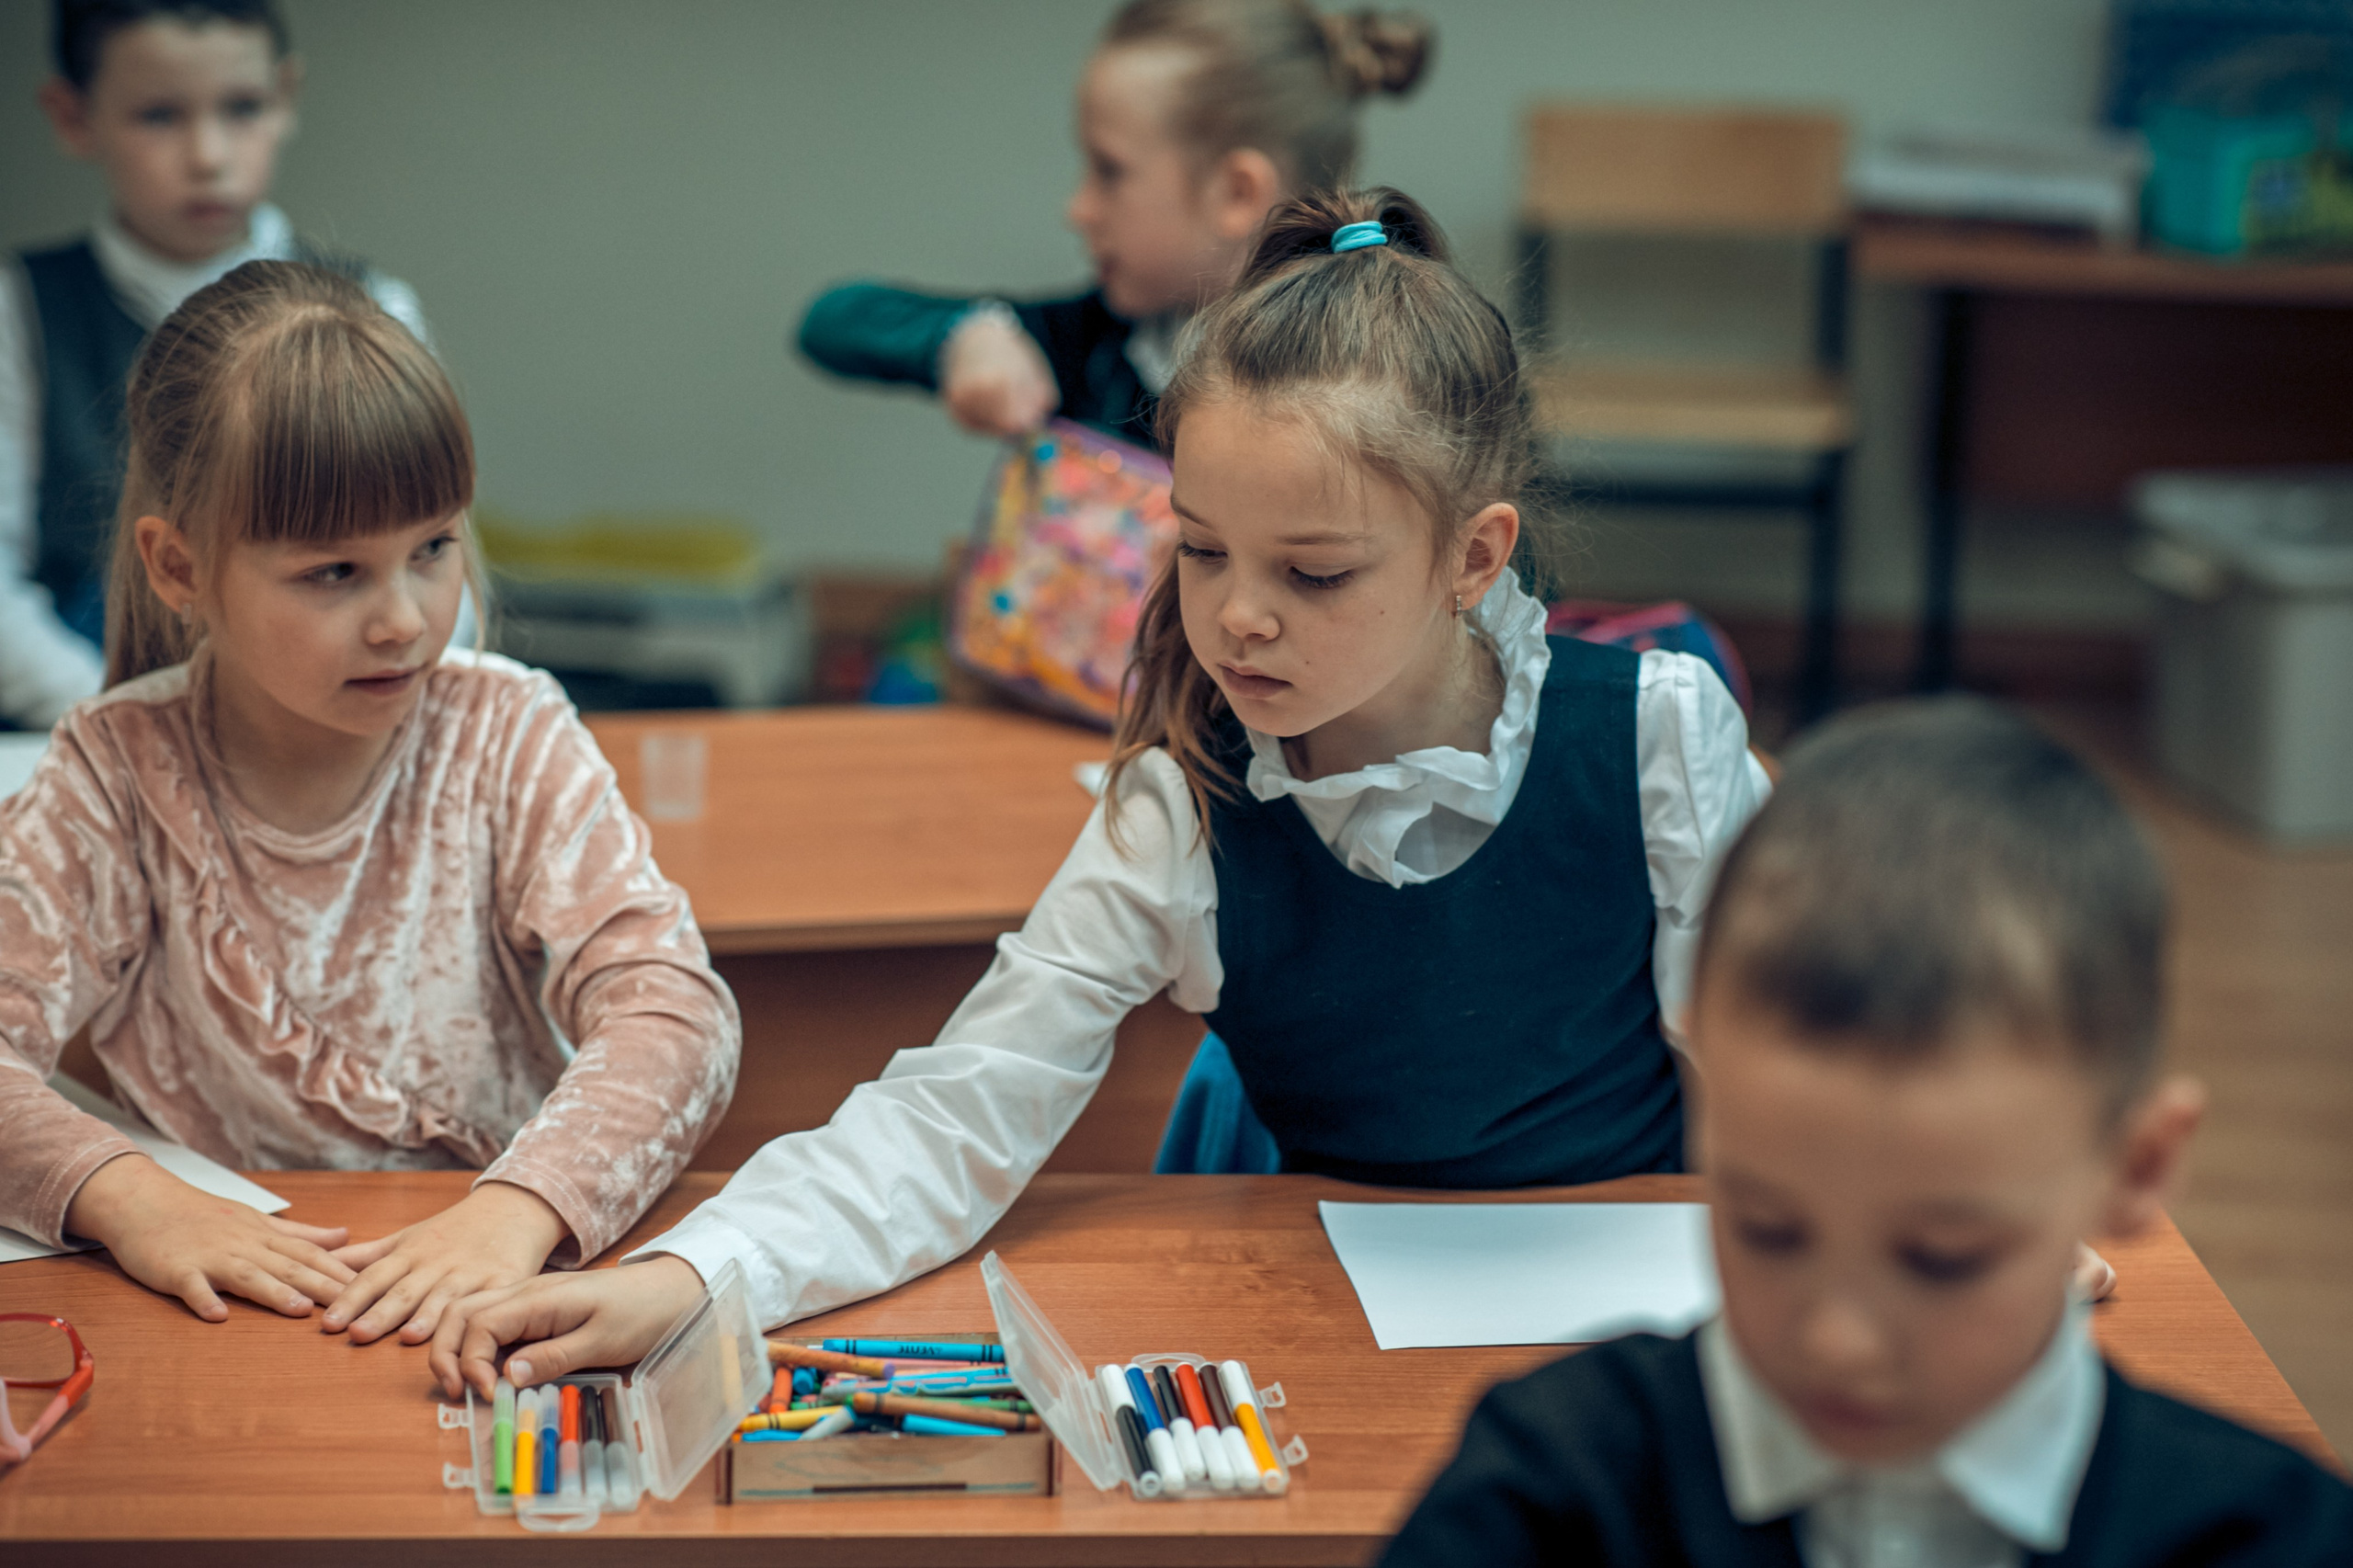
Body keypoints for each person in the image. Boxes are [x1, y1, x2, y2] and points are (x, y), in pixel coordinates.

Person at [426, 188, 1769, 1398]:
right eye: (1202, 549)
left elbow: (1785, 1079)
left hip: (1641, 1322)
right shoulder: (1182, 807)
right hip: (1335, 1325)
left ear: (1474, 558)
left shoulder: (1657, 736)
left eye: (1312, 574)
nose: (1237, 617)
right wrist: (691, 1278)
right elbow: (957, 1111)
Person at [1378, 699, 2353, 1567]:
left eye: (1942, 1257)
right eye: (1766, 1229)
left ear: (2136, 1166)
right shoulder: (1547, 1491)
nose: (1836, 1341)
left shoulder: (2271, 1535)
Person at [0, 261, 740, 1348]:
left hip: (484, 1292)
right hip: (244, 1313)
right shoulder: (115, 773)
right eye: (335, 572)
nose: (403, 618)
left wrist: (515, 1208)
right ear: (179, 567)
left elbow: (675, 1014)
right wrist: (134, 1200)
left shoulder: (507, 731)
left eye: (432, 548)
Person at [1, 0, 432, 729]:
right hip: (86, 727)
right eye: (159, 116)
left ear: (285, 97)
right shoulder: (20, 311)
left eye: (241, 107)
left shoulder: (376, 306)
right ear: (73, 116)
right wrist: (125, 720)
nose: (208, 155)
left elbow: (432, 553)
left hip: (323, 734)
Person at [796, 0, 1432, 446]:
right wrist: (966, 338)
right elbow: (833, 319)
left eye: (1109, 171)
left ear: (1236, 194)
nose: (1077, 209)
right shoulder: (1096, 349)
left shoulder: (1379, 381)